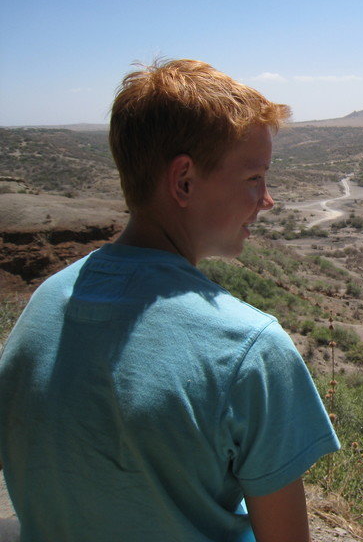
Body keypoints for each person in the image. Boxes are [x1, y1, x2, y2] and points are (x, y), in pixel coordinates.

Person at [0, 59, 340, 542]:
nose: (267, 200)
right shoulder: (247, 347)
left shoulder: (45, 305)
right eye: (253, 178)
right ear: (183, 181)